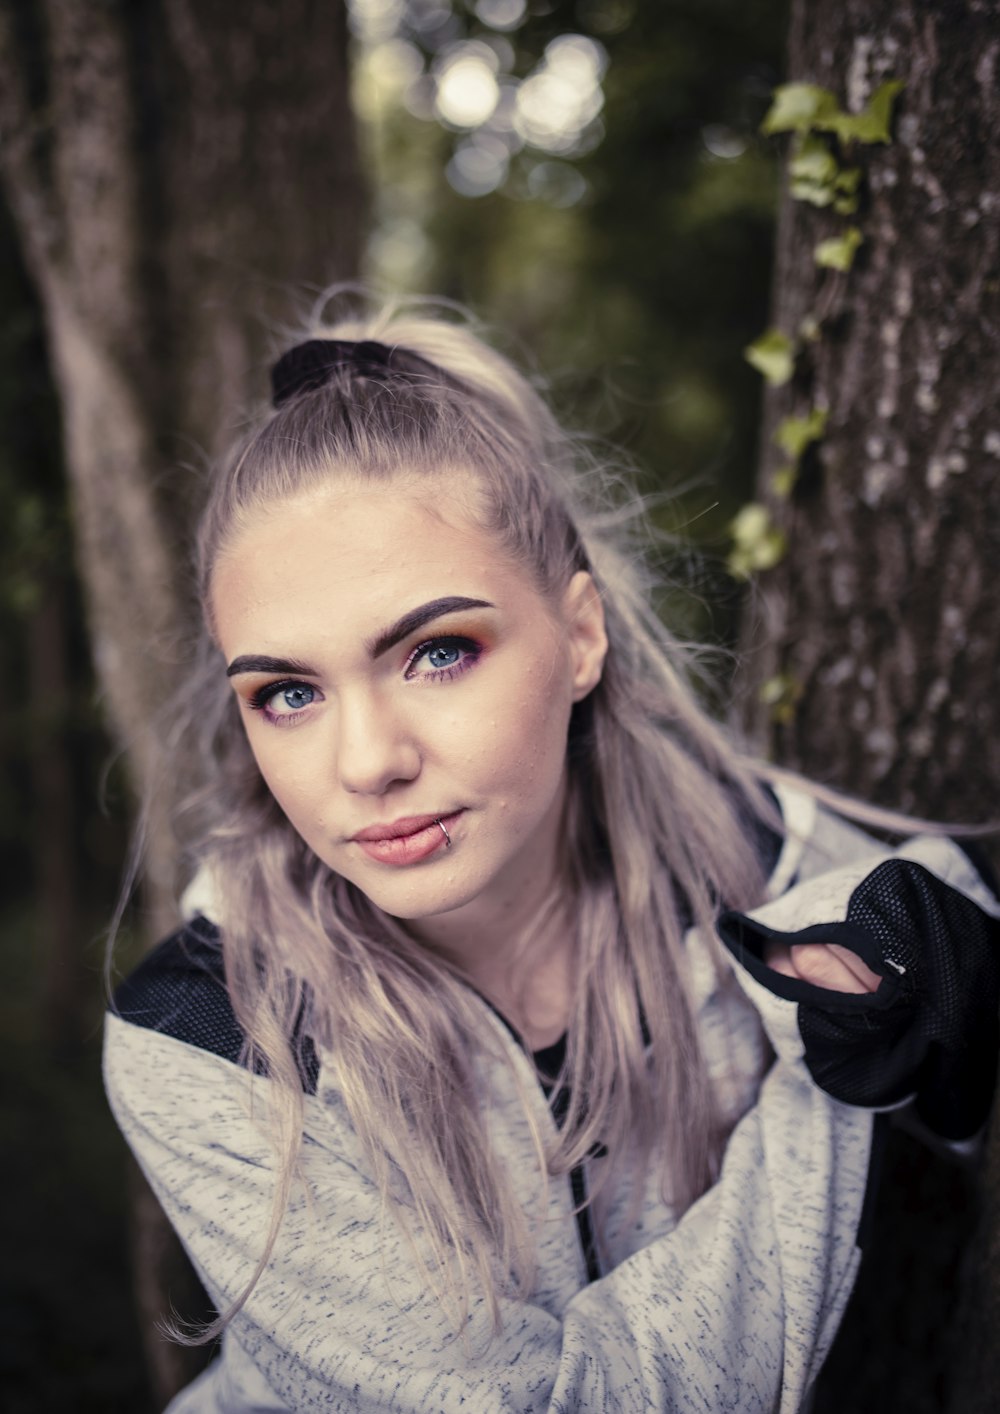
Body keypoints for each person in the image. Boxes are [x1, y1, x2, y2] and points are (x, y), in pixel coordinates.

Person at [104, 304, 1000, 1414]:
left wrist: (919, 968)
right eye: (289, 692)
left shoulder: (746, 860)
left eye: (437, 652)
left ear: (579, 636)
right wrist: (835, 1087)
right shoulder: (205, 1032)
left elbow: (946, 937)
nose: (367, 761)